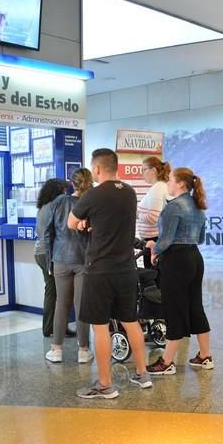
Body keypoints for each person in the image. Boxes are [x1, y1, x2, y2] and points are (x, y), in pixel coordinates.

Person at [69, 149, 152, 399]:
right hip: (127, 268)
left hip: (100, 270)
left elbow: (71, 223)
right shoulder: (128, 192)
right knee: (130, 321)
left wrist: (84, 223)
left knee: (101, 327)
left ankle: (105, 384)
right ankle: (142, 374)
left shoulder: (93, 194)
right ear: (116, 167)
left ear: (96, 169)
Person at [146, 167, 213, 375]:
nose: (168, 184)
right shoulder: (198, 205)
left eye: (171, 181)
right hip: (195, 258)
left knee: (173, 309)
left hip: (176, 261)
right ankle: (205, 356)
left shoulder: (173, 207)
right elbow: (201, 238)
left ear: (181, 184)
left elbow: (165, 240)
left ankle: (167, 362)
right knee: (195, 306)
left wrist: (153, 250)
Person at [44, 169, 94, 364]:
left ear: (72, 184)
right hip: (83, 258)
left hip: (60, 258)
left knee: (61, 304)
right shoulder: (91, 203)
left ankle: (56, 350)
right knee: (81, 305)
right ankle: (83, 351)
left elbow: (48, 233)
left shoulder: (58, 202)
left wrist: (50, 260)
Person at [35, 178, 67, 338]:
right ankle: (57, 327)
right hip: (51, 254)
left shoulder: (42, 208)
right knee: (60, 292)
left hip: (40, 253)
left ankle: (50, 327)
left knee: (52, 291)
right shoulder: (56, 206)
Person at [137, 157, 170, 268]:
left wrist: (136, 214)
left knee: (153, 279)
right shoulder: (159, 187)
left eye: (144, 170)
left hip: (154, 241)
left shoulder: (158, 188)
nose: (142, 174)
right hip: (154, 240)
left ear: (153, 170)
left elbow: (154, 217)